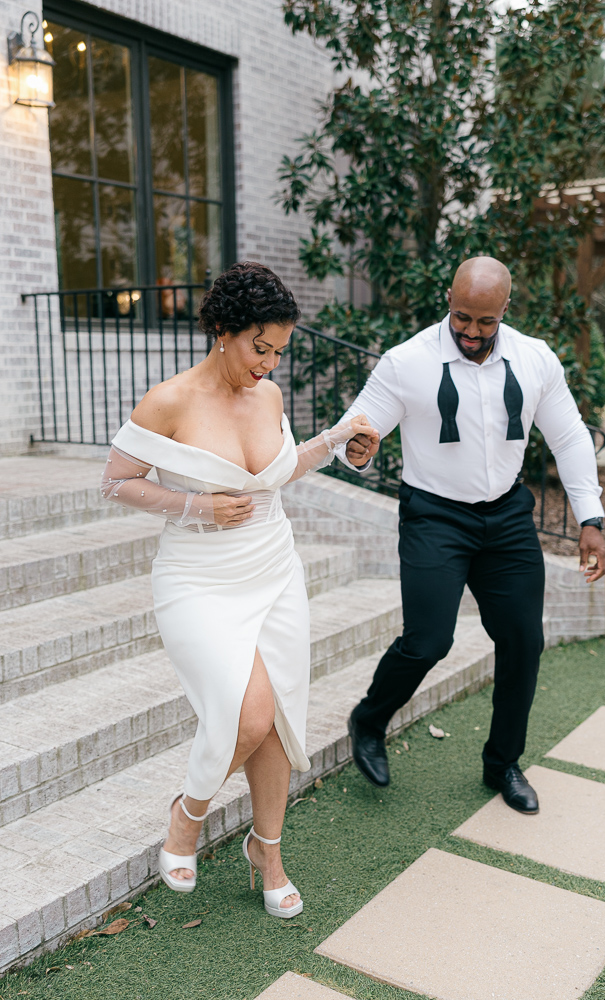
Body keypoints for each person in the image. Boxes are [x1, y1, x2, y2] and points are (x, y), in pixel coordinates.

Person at [101, 261, 377, 917]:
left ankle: (267, 850)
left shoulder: (270, 397)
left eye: (279, 351)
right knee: (246, 716)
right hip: (198, 578)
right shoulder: (168, 400)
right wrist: (194, 508)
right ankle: (186, 817)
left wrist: (336, 440)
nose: (269, 364)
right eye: (261, 347)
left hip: (274, 568)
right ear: (223, 330)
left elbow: (273, 476)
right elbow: (115, 481)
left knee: (276, 721)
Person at [340, 256, 605, 814]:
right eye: (462, 317)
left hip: (507, 517)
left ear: (505, 310)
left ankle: (503, 763)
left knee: (522, 643)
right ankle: (369, 719)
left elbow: (571, 438)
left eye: (485, 321)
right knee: (429, 640)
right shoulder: (406, 362)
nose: (471, 331)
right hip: (435, 514)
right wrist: (356, 450)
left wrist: (590, 519)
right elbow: (357, 430)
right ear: (448, 299)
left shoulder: (535, 359)